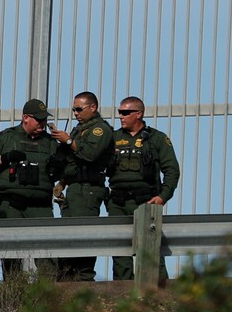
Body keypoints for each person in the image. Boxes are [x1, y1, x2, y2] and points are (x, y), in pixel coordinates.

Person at [106, 96, 180, 281]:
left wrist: (162, 197)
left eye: (125, 112)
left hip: (146, 202)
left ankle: (159, 294)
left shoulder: (157, 138)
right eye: (120, 112)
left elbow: (172, 170)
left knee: (151, 252)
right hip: (118, 203)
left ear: (138, 114)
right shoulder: (112, 138)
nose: (121, 116)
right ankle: (123, 294)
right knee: (120, 254)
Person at [0, 99, 61, 278]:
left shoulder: (51, 142)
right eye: (38, 119)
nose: (42, 123)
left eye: (44, 119)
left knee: (47, 255)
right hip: (12, 205)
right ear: (25, 118)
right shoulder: (6, 137)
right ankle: (13, 290)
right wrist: (5, 158)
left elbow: (62, 172)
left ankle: (48, 291)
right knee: (11, 256)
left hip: (40, 206)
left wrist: (59, 165)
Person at [49, 91, 114, 281]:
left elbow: (90, 154)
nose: (76, 113)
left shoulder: (100, 130)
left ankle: (83, 279)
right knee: (68, 236)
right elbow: (73, 162)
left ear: (92, 107)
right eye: (74, 110)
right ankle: (67, 278)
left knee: (82, 235)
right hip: (75, 187)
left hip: (88, 189)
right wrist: (62, 182)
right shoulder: (80, 129)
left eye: (79, 109)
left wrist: (68, 140)